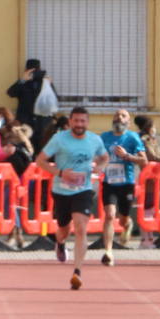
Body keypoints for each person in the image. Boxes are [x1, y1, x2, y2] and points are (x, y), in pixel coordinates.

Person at [37, 106, 109, 290]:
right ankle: (60, 243)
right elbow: (40, 161)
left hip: (83, 190)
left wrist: (100, 166)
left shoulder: (94, 139)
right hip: (61, 190)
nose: (79, 124)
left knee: (80, 227)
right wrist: (60, 172)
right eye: (76, 121)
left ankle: (77, 272)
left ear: (87, 122)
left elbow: (105, 157)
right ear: (70, 122)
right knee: (63, 229)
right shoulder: (59, 139)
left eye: (82, 121)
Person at [100, 108, 146, 265]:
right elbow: (97, 155)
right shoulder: (104, 137)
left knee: (123, 217)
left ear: (128, 121)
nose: (119, 118)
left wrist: (127, 155)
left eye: (123, 116)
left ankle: (127, 224)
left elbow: (144, 160)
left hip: (126, 183)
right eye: (117, 115)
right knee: (110, 215)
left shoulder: (132, 138)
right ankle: (108, 251)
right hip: (109, 183)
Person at [7, 58, 55, 146]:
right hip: (26, 123)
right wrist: (22, 80)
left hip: (42, 122)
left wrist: (49, 84)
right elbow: (10, 93)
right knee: (25, 146)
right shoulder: (23, 83)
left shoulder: (45, 83)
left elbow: (53, 101)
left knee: (42, 147)